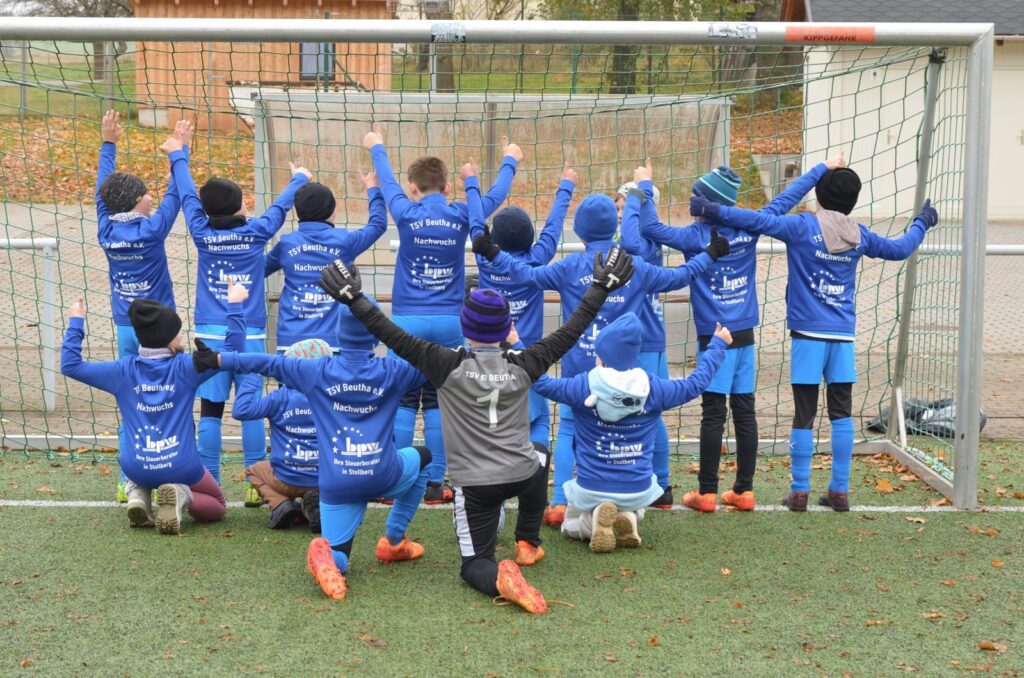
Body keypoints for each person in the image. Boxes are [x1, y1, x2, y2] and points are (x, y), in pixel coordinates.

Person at [317, 185, 635, 613]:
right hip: (520, 472)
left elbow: (389, 333)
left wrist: (354, 298)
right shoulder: (528, 360)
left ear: (465, 327)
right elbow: (572, 328)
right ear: (507, 329)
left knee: (474, 565)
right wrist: (599, 288)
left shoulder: (444, 363)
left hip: (477, 486)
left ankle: (500, 574)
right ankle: (527, 542)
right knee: (539, 453)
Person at [690, 166, 939, 511]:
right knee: (841, 413)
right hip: (843, 339)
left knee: (804, 415)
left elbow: (757, 221)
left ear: (819, 196)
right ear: (853, 201)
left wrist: (715, 211)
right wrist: (922, 221)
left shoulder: (802, 226)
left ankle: (800, 492)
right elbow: (900, 249)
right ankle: (839, 491)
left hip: (807, 336)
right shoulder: (860, 234)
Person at [473, 192, 730, 527]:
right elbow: (679, 278)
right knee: (642, 420)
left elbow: (528, 277)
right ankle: (657, 488)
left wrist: (494, 253)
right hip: (624, 369)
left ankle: (561, 503)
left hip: (579, 368)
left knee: (568, 427)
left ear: (579, 232)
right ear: (616, 228)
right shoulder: (635, 266)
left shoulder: (569, 267)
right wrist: (710, 254)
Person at [637, 155, 846, 512]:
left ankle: (706, 493)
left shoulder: (694, 236)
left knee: (713, 413)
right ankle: (744, 490)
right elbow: (786, 198)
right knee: (745, 412)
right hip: (745, 333)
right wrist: (822, 168)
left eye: (694, 195)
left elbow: (652, 229)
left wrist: (644, 187)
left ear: (705, 202)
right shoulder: (749, 228)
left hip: (714, 337)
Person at [214, 297, 433, 601]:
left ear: (338, 335)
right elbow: (434, 361)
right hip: (382, 474)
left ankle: (328, 558)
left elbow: (266, 363)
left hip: (335, 483)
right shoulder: (394, 370)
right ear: (376, 336)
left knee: (338, 556)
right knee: (424, 457)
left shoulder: (316, 371)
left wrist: (220, 360)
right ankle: (393, 540)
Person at [364, 124, 522, 503]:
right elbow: (495, 197)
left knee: (403, 398)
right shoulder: (461, 215)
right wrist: (510, 161)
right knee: (438, 400)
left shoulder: (404, 210)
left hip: (407, 323)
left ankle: (395, 477)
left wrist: (377, 148)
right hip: (451, 323)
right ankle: (435, 482)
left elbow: (386, 185)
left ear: (412, 188)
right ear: (448, 188)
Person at [163, 133, 311, 502]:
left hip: (211, 336)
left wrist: (178, 155)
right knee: (252, 409)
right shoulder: (256, 232)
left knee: (211, 409)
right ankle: (254, 484)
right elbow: (278, 210)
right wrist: (298, 179)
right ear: (240, 207)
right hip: (252, 338)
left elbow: (186, 197)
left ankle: (210, 481)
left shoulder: (201, 232)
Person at [60, 280, 249, 534]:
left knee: (140, 466)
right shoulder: (188, 367)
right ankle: (182, 495)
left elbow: (70, 365)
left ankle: (137, 492)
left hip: (136, 465)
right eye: (178, 331)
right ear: (170, 339)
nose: (182, 334)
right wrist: (235, 304)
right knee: (218, 504)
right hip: (182, 466)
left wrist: (76, 321)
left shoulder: (122, 370)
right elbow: (233, 349)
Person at [532, 313, 730, 551]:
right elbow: (694, 384)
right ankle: (628, 515)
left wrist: (514, 346)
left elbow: (540, 382)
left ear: (602, 356)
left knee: (568, 525)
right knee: (632, 495)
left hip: (591, 486)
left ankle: (590, 522)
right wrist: (717, 346)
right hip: (637, 488)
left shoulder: (582, 385)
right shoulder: (654, 387)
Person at [95, 111, 191, 503]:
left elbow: (102, 190)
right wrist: (179, 151)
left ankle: (128, 480)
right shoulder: (152, 230)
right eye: (146, 194)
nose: (153, 197)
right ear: (139, 202)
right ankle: (174, 469)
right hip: (162, 335)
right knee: (171, 399)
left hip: (125, 328)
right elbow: (177, 196)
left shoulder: (105, 230)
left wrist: (108, 144)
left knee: (130, 401)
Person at [475, 164, 577, 445]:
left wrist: (472, 183)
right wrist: (565, 187)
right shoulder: (536, 259)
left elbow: (475, 223)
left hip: (490, 351)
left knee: (491, 415)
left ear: (494, 239)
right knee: (539, 417)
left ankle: (491, 465)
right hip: (529, 351)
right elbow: (553, 229)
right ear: (530, 237)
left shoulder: (485, 260)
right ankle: (536, 466)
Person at [264, 172, 387, 351]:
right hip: (333, 343)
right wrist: (373, 187)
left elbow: (259, 269)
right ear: (332, 212)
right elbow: (378, 225)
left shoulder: (287, 243)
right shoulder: (345, 241)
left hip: (290, 341)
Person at [615, 167, 673, 508]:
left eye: (628, 208)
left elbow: (632, 242)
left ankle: (662, 483)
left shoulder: (644, 240)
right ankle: (631, 474)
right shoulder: (628, 239)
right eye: (619, 209)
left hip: (648, 338)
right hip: (628, 338)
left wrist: (644, 186)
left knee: (651, 410)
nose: (622, 215)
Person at [231, 340, 329, 532]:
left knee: (253, 471)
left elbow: (241, 411)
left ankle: (280, 504)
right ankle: (315, 506)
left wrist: (255, 373)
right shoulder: (329, 396)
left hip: (286, 479)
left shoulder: (279, 398)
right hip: (324, 479)